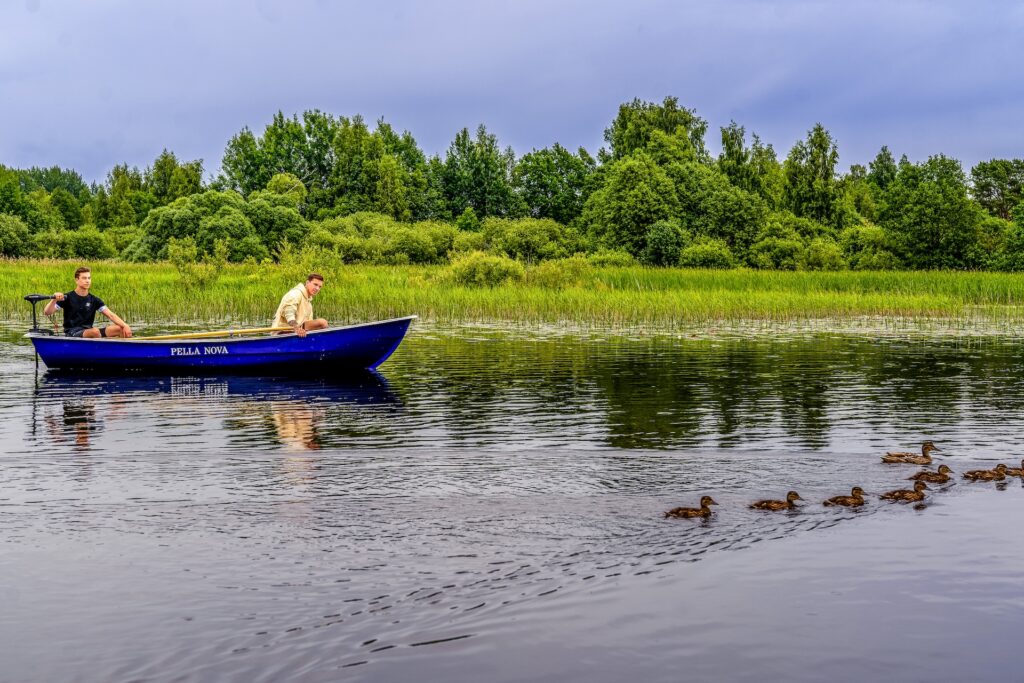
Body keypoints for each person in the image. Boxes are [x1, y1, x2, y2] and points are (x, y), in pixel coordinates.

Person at [43, 266, 133, 338]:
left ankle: (124, 353)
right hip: (72, 333)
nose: (87, 281)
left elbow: (111, 315)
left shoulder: (94, 300)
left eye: (89, 278)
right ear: (77, 280)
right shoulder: (67, 297)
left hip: (89, 331)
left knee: (121, 329)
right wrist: (54, 299)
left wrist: (125, 325)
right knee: (95, 331)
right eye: (84, 278)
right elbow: (47, 312)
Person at [272, 273, 329, 338]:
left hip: (297, 331)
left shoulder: (309, 304)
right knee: (322, 322)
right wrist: (297, 328)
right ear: (307, 282)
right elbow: (289, 313)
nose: (317, 288)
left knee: (321, 324)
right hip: (282, 332)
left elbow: (308, 323)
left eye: (319, 287)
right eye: (315, 284)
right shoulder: (296, 293)